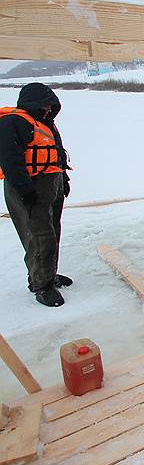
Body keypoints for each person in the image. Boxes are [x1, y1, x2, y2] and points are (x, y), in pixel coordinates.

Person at [0, 83, 72, 307]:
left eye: (51, 106)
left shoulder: (45, 124)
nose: (49, 110)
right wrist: (24, 190)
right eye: (46, 105)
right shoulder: (14, 121)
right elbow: (10, 159)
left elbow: (58, 155)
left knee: (52, 230)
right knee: (40, 237)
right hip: (29, 188)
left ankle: (49, 274)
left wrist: (64, 180)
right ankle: (40, 285)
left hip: (51, 184)